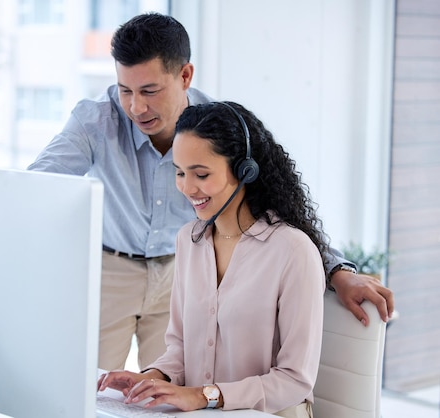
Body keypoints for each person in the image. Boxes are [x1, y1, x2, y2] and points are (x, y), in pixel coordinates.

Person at [27, 12, 394, 371]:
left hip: (180, 274)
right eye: (125, 91)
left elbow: (277, 197)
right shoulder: (95, 120)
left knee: (166, 395)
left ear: (185, 75)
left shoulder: (214, 125)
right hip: (112, 271)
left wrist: (337, 270)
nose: (136, 107)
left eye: (150, 91)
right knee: (90, 392)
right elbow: (35, 188)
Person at [98, 101, 326, 416]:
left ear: (245, 170)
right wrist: (150, 379)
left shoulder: (292, 251)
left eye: (201, 174)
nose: (187, 187)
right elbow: (179, 348)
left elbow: (295, 380)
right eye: (179, 172)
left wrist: (205, 396)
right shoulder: (189, 242)